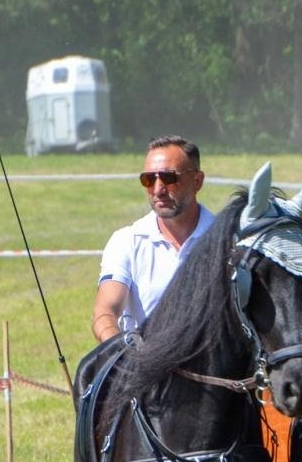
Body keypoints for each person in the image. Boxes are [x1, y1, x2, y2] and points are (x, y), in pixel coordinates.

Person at [91, 136, 214, 342]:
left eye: (168, 178)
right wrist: (119, 350)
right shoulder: (126, 241)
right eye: (149, 180)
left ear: (197, 181)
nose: (158, 190)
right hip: (144, 366)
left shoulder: (228, 239)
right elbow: (105, 311)